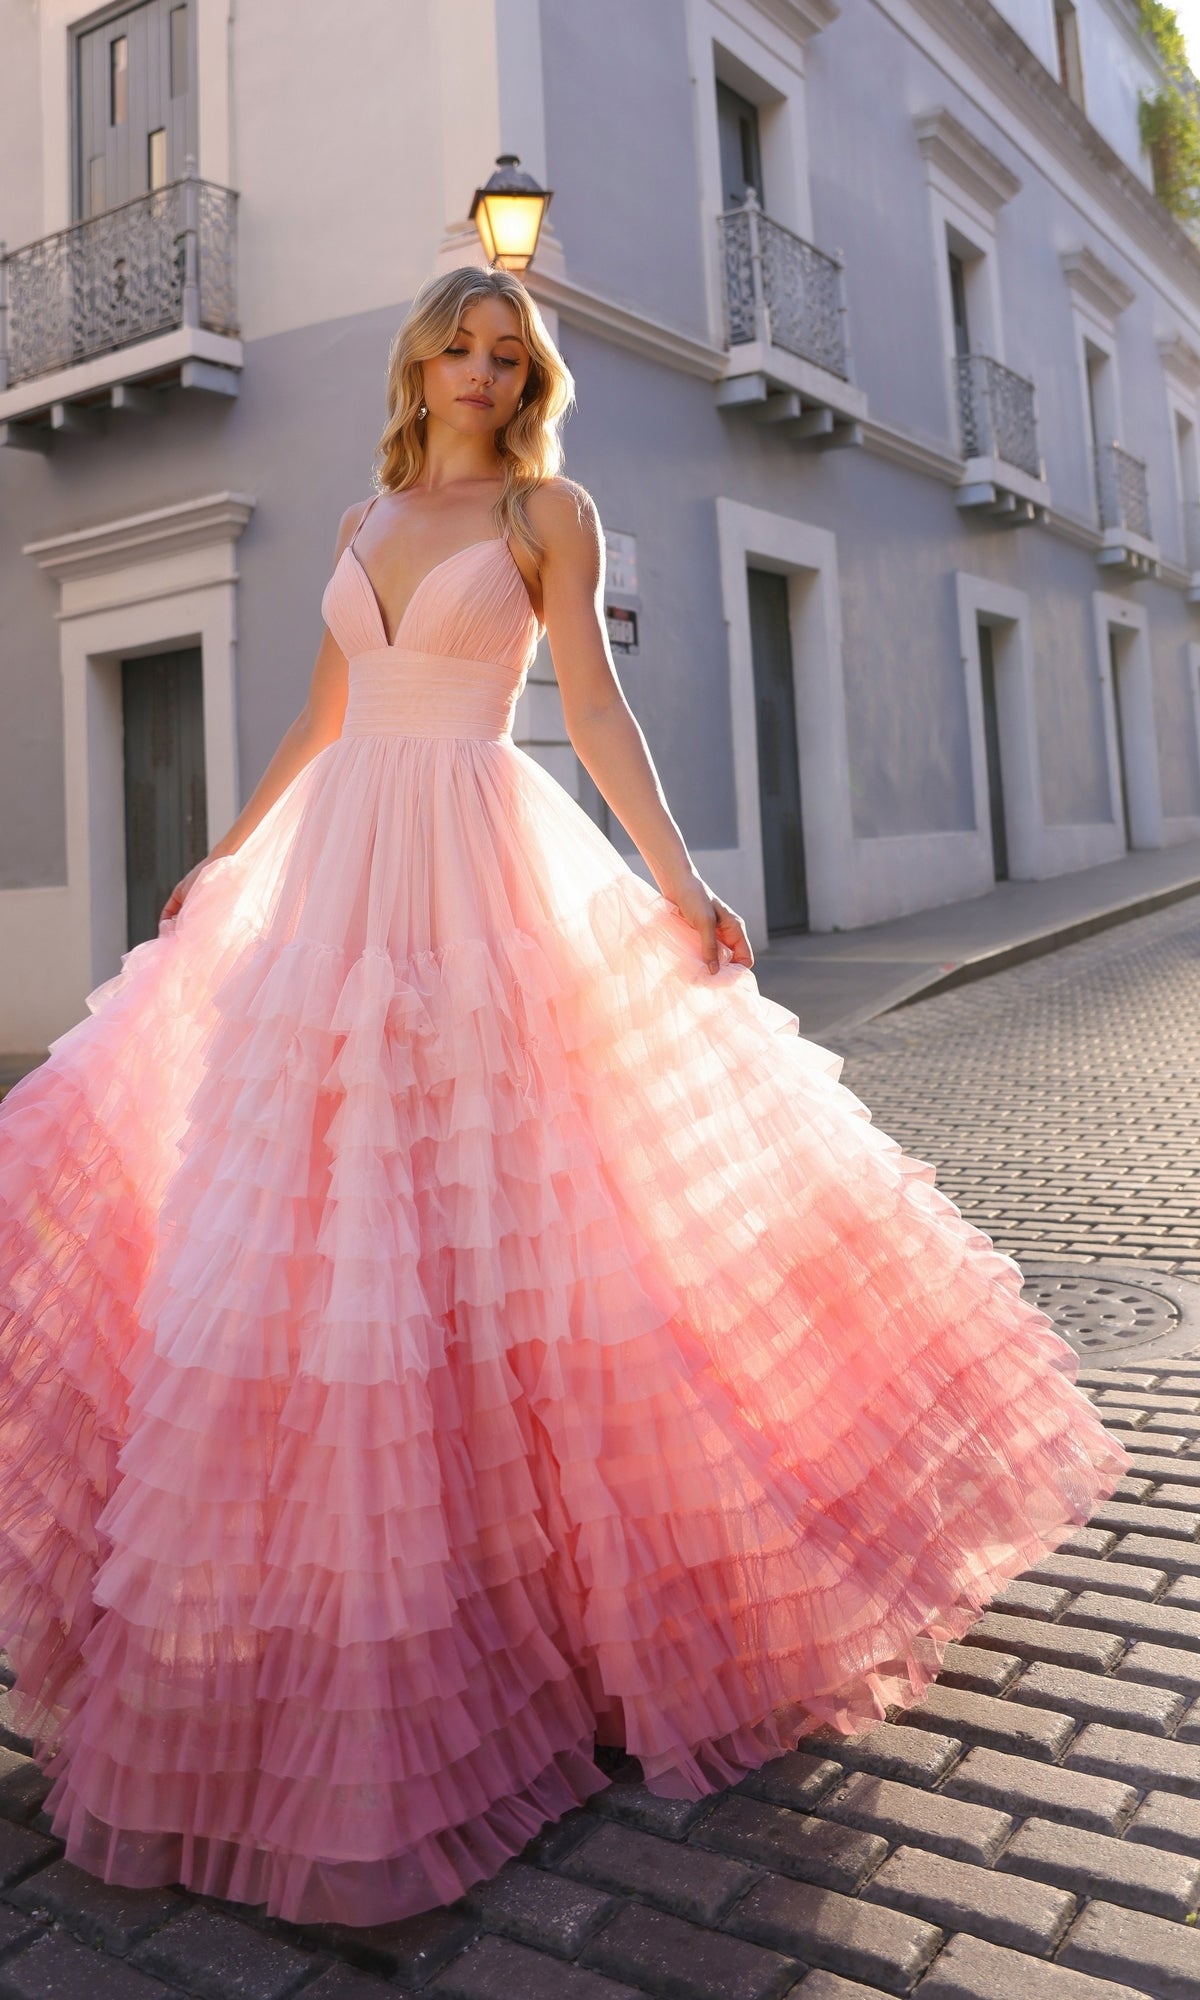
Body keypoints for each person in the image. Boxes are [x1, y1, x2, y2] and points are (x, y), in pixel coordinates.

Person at [0, 264, 1127, 1930]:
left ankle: (559, 1621)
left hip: (474, 860)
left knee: (512, 1215)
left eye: (506, 354)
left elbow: (591, 704)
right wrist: (225, 858)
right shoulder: (364, 517)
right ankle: (386, 1586)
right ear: (418, 364)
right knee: (333, 1226)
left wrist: (681, 882)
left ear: (529, 381)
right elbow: (322, 712)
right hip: (336, 881)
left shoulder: (548, 513)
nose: (479, 370)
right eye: (458, 347)